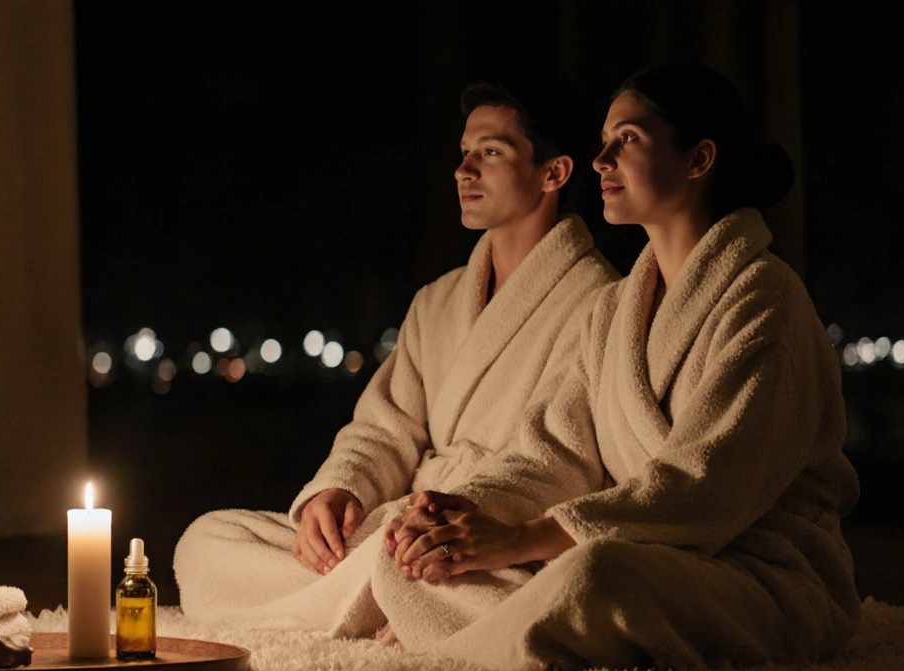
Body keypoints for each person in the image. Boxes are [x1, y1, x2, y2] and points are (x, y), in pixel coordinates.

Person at [374, 63, 861, 671]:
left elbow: (703, 488)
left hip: (756, 574)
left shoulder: (765, 300)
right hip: (642, 551)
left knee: (593, 577)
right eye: (603, 141)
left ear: (698, 159)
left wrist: (520, 539)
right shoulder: (613, 310)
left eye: (626, 139)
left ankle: (461, 641)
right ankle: (497, 633)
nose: (601, 160)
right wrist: (460, 513)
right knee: (408, 558)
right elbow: (553, 451)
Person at [173, 74, 618, 635]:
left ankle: (381, 593)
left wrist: (449, 514)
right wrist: (340, 489)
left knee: (536, 588)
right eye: (463, 152)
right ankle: (392, 599)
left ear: (554, 173)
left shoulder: (599, 300)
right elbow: (385, 428)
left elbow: (559, 456)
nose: (464, 170)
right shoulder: (438, 300)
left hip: (483, 533)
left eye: (490, 152)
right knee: (205, 543)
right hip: (401, 530)